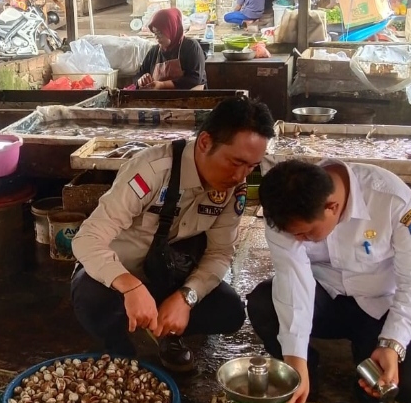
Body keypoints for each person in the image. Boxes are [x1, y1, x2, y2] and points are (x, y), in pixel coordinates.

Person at [71, 97, 273, 372]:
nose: (240, 176)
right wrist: (129, 285)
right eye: (235, 162)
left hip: (170, 273)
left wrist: (186, 298)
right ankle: (118, 344)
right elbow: (87, 238)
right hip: (119, 274)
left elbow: (220, 252)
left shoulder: (232, 189)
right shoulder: (152, 170)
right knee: (92, 300)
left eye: (251, 167)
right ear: (204, 142)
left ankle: (169, 333)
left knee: (229, 311)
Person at [246, 159, 411, 403]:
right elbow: (293, 280)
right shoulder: (284, 210)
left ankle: (368, 354)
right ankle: (307, 374)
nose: (298, 240)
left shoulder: (392, 200)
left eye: (305, 234)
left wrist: (393, 343)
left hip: (380, 305)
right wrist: (296, 360)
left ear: (332, 207)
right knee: (264, 303)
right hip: (324, 298)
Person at [134, 8, 206, 90]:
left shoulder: (190, 47)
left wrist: (163, 85)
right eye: (155, 33)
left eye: (160, 33)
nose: (157, 37)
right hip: (161, 100)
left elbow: (195, 79)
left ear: (171, 29)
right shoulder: (154, 51)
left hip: (190, 99)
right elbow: (137, 76)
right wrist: (141, 80)